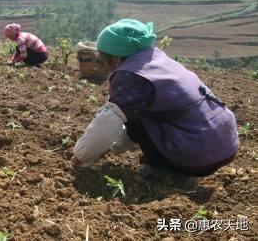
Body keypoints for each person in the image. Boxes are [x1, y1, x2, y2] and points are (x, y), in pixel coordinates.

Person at [71, 19, 239, 188]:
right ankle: (175, 164)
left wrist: (81, 156)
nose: (105, 65)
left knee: (130, 115)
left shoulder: (131, 76)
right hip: (225, 142)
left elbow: (108, 122)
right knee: (136, 112)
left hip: (196, 154)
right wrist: (114, 147)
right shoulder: (155, 59)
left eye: (103, 59)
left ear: (115, 57)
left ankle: (171, 173)